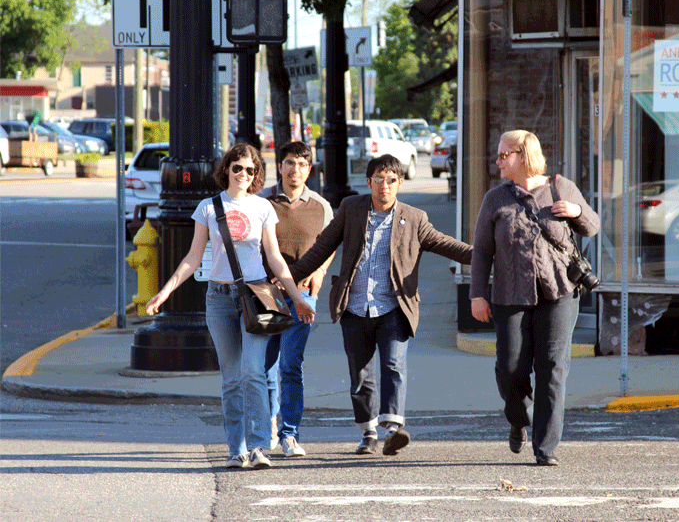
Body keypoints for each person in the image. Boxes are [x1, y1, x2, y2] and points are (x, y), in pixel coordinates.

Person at [145, 143, 315, 470]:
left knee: (254, 372)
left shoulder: (262, 207)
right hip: (219, 298)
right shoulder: (208, 208)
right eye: (238, 168)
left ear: (256, 174)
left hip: (256, 297)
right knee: (232, 379)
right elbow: (193, 257)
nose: (243, 174)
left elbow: (275, 258)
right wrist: (164, 292)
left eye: (250, 170)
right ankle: (236, 449)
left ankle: (259, 446)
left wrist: (297, 298)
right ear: (227, 169)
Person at [290, 154, 472, 456]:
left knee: (393, 366)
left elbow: (445, 244)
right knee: (361, 376)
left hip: (394, 307)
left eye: (390, 180)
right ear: (369, 182)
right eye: (378, 179)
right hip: (354, 306)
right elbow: (323, 246)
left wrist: (485, 255)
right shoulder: (351, 208)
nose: (384, 186)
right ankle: (369, 432)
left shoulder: (414, 218)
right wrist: (289, 276)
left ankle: (393, 430)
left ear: (399, 183)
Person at [470, 130, 599, 466]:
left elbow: (592, 226)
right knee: (510, 368)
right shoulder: (496, 199)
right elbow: (482, 251)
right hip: (509, 295)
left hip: (559, 293)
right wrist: (477, 295)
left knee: (552, 368)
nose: (497, 161)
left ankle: (545, 447)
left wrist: (576, 211)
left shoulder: (560, 187)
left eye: (504, 155)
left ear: (523, 156)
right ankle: (519, 419)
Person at [258, 141, 334, 458]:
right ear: (280, 167)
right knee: (264, 367)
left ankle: (289, 434)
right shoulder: (262, 202)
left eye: (302, 164)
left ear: (310, 170)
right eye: (290, 162)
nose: (295, 169)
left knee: (291, 366)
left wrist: (321, 272)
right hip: (266, 297)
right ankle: (267, 426)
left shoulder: (321, 206)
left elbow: (330, 244)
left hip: (302, 296)